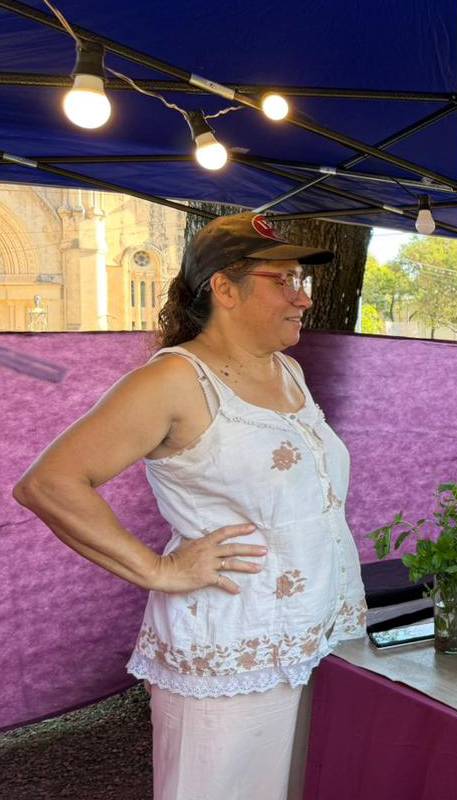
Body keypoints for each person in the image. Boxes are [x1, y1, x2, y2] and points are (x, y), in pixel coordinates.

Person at [13, 212, 366, 800]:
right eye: (283, 280)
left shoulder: (289, 371)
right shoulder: (176, 381)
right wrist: (158, 569)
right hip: (229, 649)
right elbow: (50, 483)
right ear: (224, 288)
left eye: (302, 281)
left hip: (316, 638)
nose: (303, 298)